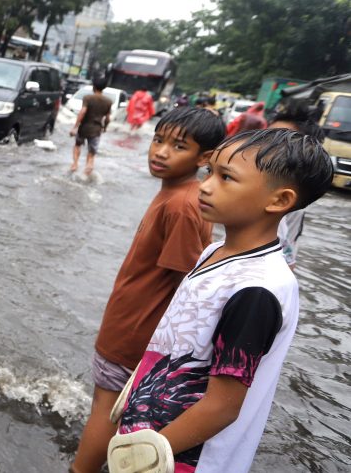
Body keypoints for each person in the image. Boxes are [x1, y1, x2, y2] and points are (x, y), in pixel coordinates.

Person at [107, 128, 333, 473]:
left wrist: (143, 457)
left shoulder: (258, 290)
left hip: (180, 459)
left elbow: (222, 406)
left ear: (279, 201)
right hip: (148, 435)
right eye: (209, 171)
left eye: (226, 177)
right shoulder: (215, 251)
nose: (206, 185)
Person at [72, 107, 226, 473]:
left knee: (105, 411)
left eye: (178, 146)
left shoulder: (183, 206)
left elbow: (185, 289)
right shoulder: (178, 195)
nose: (160, 152)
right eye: (158, 140)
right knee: (110, 407)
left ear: (204, 157)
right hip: (130, 322)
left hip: (135, 331)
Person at [267, 100, 324, 269]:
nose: (264, 145)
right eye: (265, 136)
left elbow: (288, 256)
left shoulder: (292, 200)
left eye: (280, 141)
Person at [69, 76, 114, 176]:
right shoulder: (108, 101)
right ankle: (89, 165)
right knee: (92, 151)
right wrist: (105, 128)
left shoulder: (88, 98)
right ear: (104, 87)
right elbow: (107, 118)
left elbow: (83, 112)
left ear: (93, 86)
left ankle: (75, 164)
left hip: (84, 127)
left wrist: (75, 127)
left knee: (77, 145)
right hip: (96, 130)